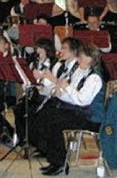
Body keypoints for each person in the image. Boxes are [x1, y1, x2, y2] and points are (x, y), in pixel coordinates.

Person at [34, 40, 103, 176]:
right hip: (76, 110)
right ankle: (53, 158)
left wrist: (66, 88)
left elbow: (82, 100)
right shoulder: (80, 71)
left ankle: (59, 162)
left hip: (89, 116)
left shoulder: (94, 77)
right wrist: (61, 94)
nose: (78, 59)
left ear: (90, 59)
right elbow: (72, 96)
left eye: (81, 57)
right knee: (44, 116)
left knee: (56, 123)